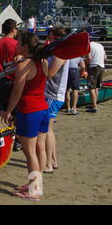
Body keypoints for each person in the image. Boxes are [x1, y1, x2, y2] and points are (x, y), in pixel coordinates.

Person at [2, 31, 49, 202]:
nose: (15, 45)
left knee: (30, 153)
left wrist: (8, 111)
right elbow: (46, 77)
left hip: (29, 110)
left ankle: (34, 190)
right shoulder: (42, 61)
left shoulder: (25, 65)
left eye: (18, 42)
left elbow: (17, 91)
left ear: (26, 46)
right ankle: (35, 183)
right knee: (40, 149)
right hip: (43, 109)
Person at [43, 27, 69, 174]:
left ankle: (48, 163)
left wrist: (43, 64)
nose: (49, 40)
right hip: (53, 94)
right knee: (49, 131)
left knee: (46, 131)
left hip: (52, 94)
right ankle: (53, 160)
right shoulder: (59, 53)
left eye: (51, 38)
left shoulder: (61, 55)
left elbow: (49, 74)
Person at [0, 19, 18, 134]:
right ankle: (13, 137)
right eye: (16, 28)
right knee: (13, 112)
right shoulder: (16, 44)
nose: (17, 31)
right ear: (12, 29)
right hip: (11, 80)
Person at [85, 40, 107, 113]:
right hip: (101, 67)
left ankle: (94, 107)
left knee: (91, 87)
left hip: (94, 67)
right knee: (96, 87)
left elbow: (89, 58)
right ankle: (94, 104)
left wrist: (86, 65)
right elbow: (105, 58)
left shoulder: (89, 45)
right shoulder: (100, 45)